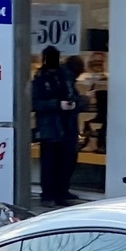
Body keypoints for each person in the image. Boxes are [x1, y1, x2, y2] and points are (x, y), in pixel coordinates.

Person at [31, 45, 80, 205]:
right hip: (50, 127)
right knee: (49, 162)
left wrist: (75, 103)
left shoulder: (65, 77)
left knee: (67, 160)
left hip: (68, 125)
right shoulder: (39, 79)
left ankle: (62, 192)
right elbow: (35, 104)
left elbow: (75, 95)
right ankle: (48, 194)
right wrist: (57, 104)